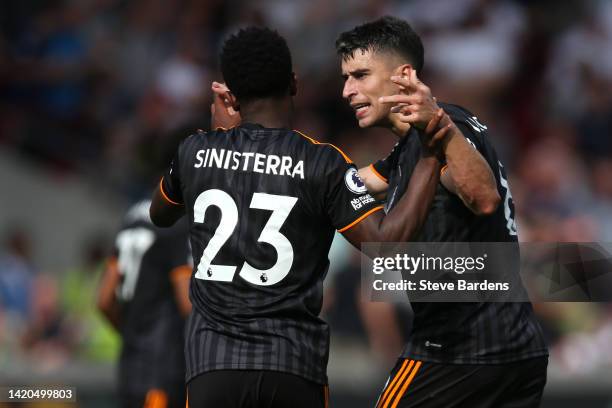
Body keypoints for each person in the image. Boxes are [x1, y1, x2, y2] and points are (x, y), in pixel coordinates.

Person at [149, 26, 451, 408]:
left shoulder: (194, 151)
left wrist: (217, 138)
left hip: (213, 366)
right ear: (294, 84)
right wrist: (428, 158)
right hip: (292, 366)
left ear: (230, 93)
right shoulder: (323, 162)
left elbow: (160, 213)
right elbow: (386, 245)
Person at [336, 16, 548, 407]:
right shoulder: (411, 148)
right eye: (346, 78)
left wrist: (442, 129)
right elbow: (352, 183)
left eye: (360, 75)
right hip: (513, 345)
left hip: (459, 350)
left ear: (403, 75)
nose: (348, 90)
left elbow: (483, 197)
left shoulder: (441, 132)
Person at [97, 199, 191, 408]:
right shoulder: (176, 223)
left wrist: (130, 333)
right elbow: (187, 305)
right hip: (162, 368)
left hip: (129, 367)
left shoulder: (132, 216)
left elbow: (104, 300)